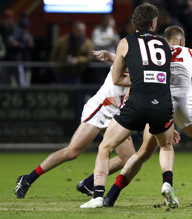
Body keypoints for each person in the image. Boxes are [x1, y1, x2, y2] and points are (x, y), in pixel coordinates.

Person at [100, 25, 192, 206]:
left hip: (160, 103)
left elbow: (138, 75)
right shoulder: (191, 53)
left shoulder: (156, 53)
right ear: (182, 41)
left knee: (144, 152)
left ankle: (111, 195)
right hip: (186, 103)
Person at [80, 3, 176, 209]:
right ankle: (167, 183)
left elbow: (116, 79)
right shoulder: (164, 43)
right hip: (163, 103)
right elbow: (164, 74)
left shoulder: (125, 42)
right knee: (166, 146)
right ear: (153, 23)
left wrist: (137, 80)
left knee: (105, 147)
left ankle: (97, 195)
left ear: (135, 23)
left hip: (138, 103)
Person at [14, 50, 135, 198]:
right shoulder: (131, 60)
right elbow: (118, 63)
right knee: (72, 151)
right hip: (101, 109)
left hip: (116, 113)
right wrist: (108, 55)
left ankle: (88, 183)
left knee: (127, 157)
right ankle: (27, 179)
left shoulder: (143, 65)